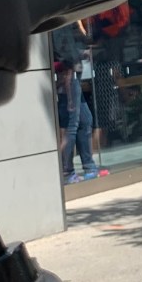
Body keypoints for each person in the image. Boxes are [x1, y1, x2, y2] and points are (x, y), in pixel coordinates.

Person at [52, 22, 108, 184]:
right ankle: (67, 171)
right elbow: (62, 49)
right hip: (68, 75)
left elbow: (70, 45)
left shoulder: (67, 23)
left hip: (72, 73)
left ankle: (89, 167)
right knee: (72, 124)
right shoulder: (62, 24)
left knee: (85, 120)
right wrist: (76, 56)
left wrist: (80, 54)